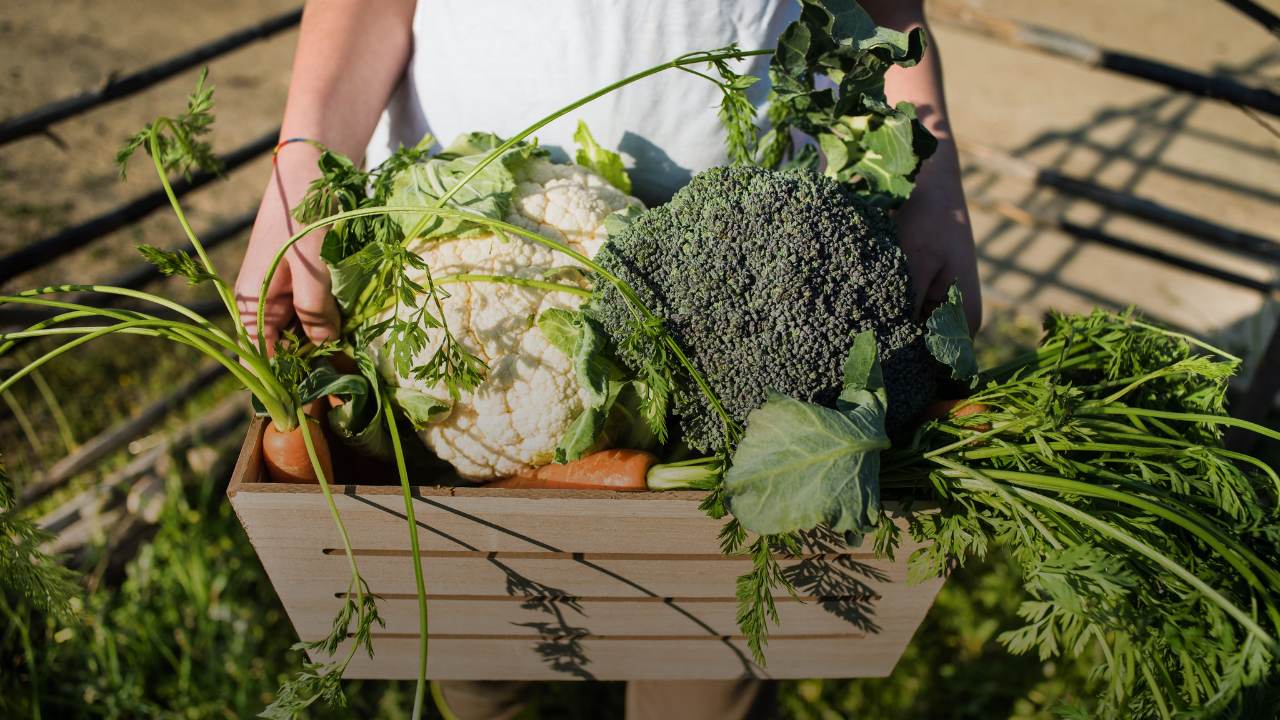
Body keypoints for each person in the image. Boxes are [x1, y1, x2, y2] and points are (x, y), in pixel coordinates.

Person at [234, 2, 981, 718]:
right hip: (438, 242)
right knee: (467, 637)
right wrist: (302, 157)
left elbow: (884, 4)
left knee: (714, 656)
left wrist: (935, 179)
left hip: (737, 287)